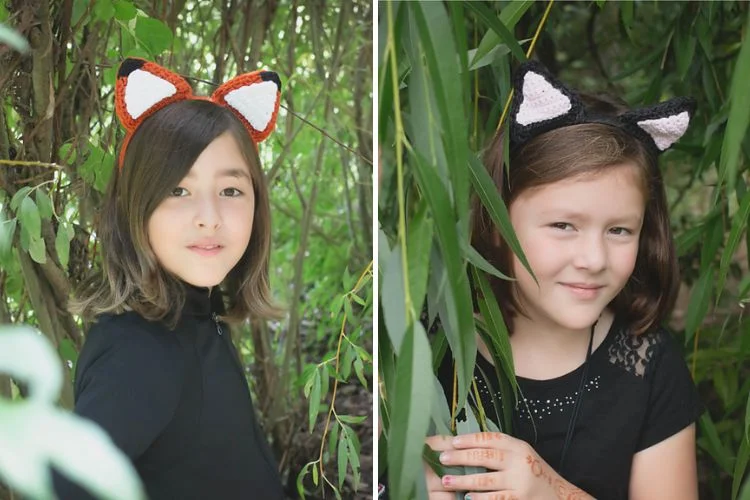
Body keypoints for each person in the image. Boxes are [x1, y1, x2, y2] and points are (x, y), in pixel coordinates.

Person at [425, 61, 702, 500]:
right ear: (497, 223)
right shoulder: (427, 345)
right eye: (563, 226)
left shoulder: (650, 368)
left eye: (619, 230)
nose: (593, 259)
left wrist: (549, 490)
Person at [54, 57, 286, 499]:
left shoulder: (199, 317)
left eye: (231, 190)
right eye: (178, 190)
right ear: (134, 207)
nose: (209, 218)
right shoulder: (140, 353)